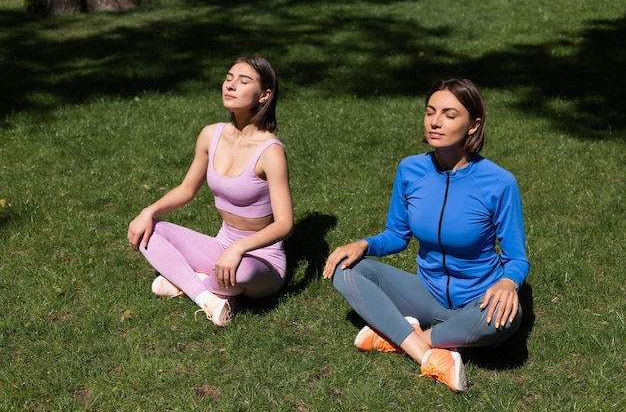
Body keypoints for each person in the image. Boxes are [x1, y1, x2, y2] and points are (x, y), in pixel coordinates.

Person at [322, 78, 529, 392]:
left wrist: (507, 282)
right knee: (345, 269)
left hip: (477, 300)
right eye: (430, 111)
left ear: (473, 125)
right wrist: (364, 244)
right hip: (426, 291)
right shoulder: (410, 170)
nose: (435, 121)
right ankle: (431, 354)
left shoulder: (499, 182)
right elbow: (397, 234)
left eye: (449, 114)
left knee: (505, 319)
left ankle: (403, 336)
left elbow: (516, 258)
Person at [128, 56, 293, 326]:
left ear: (264, 95)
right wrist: (149, 211)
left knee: (242, 271)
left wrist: (239, 248)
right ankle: (209, 298)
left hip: (261, 260)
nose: (231, 85)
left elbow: (285, 224)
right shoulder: (210, 135)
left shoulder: (271, 151)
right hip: (221, 246)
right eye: (228, 79)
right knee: (149, 231)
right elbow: (186, 189)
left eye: (243, 81)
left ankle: (190, 280)